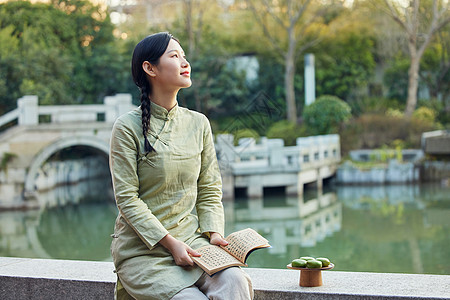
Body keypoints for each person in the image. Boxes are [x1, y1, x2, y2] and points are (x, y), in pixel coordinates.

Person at [109, 32, 254, 300]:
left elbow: (209, 188)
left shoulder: (198, 123)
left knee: (235, 281)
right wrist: (171, 243)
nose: (184, 62)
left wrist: (214, 233)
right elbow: (127, 199)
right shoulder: (126, 127)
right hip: (144, 251)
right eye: (174, 56)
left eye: (184, 56)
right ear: (150, 68)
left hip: (193, 242)